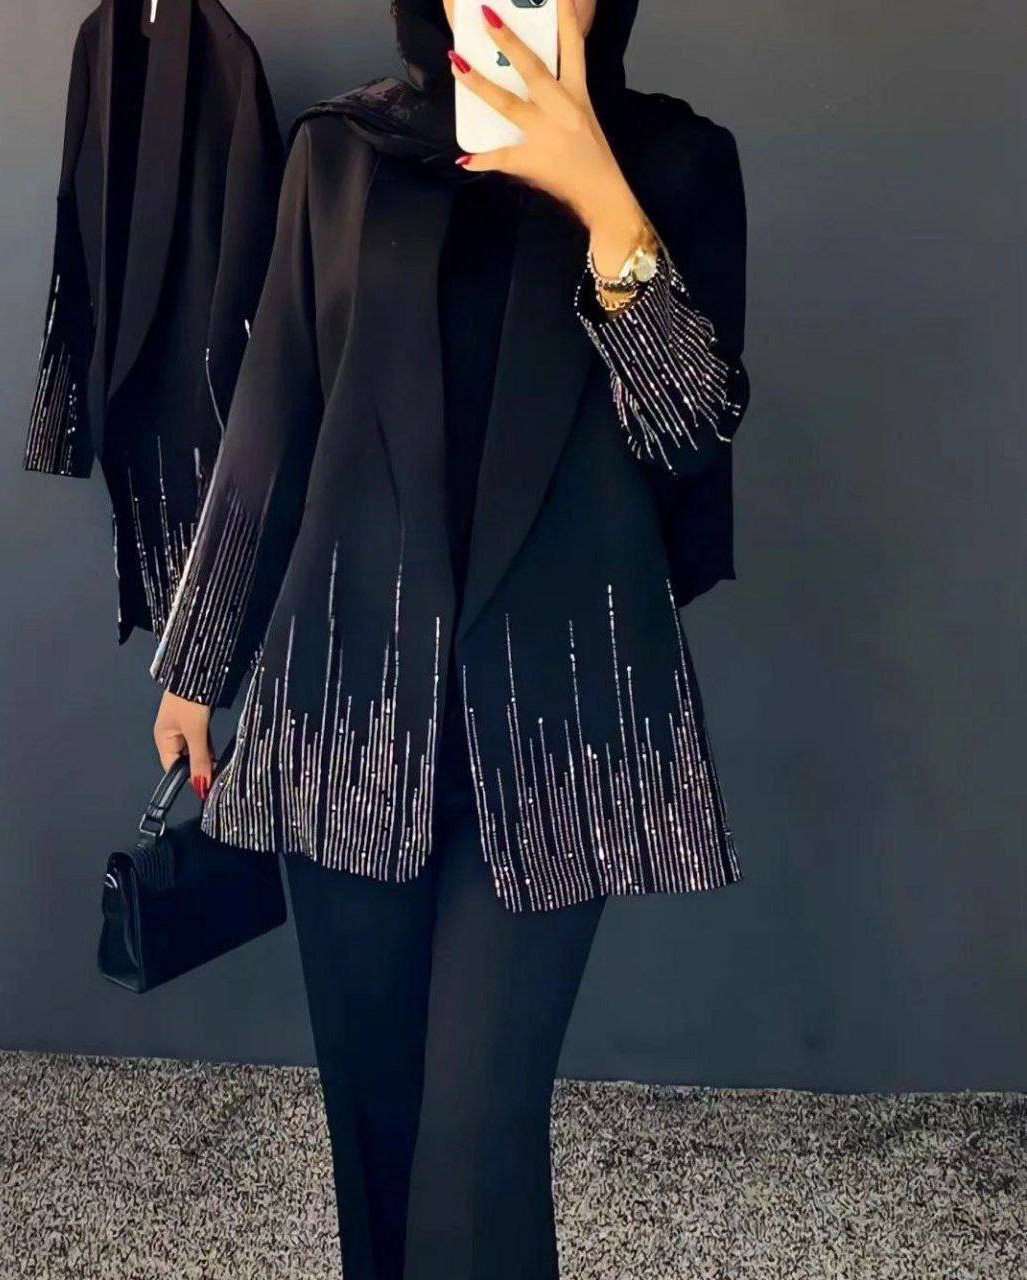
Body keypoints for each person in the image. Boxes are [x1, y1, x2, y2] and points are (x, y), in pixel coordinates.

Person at [152, 2, 750, 1276]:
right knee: (374, 1130)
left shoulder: (677, 162)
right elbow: (274, 412)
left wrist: (599, 195)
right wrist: (200, 667)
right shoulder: (342, 151)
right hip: (346, 700)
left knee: (473, 1157)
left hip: (561, 716)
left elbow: (692, 432)